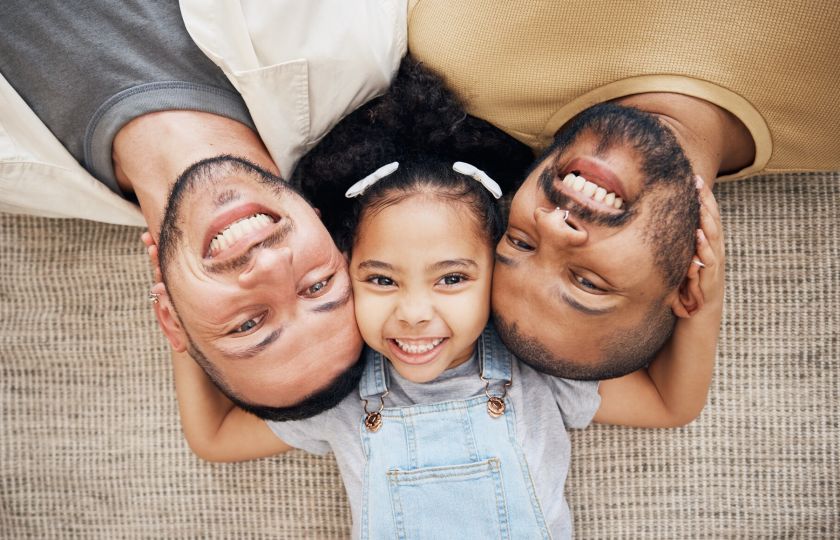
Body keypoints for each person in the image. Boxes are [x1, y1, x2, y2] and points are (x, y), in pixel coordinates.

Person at [169, 59, 725, 539]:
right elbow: (214, 438)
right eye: (381, 281)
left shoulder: (537, 370)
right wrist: (185, 315)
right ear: (344, 270)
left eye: (452, 279)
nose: (413, 314)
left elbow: (669, 404)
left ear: (496, 272)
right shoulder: (337, 394)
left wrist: (706, 289)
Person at [0, 1, 405, 416]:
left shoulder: (11, 181)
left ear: (170, 318)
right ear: (325, 229)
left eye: (248, 324)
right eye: (318, 285)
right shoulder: (352, 46)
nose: (269, 265)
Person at [406, 0, 840, 379]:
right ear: (688, 286)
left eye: (520, 241)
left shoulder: (467, 48)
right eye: (588, 282)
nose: (552, 226)